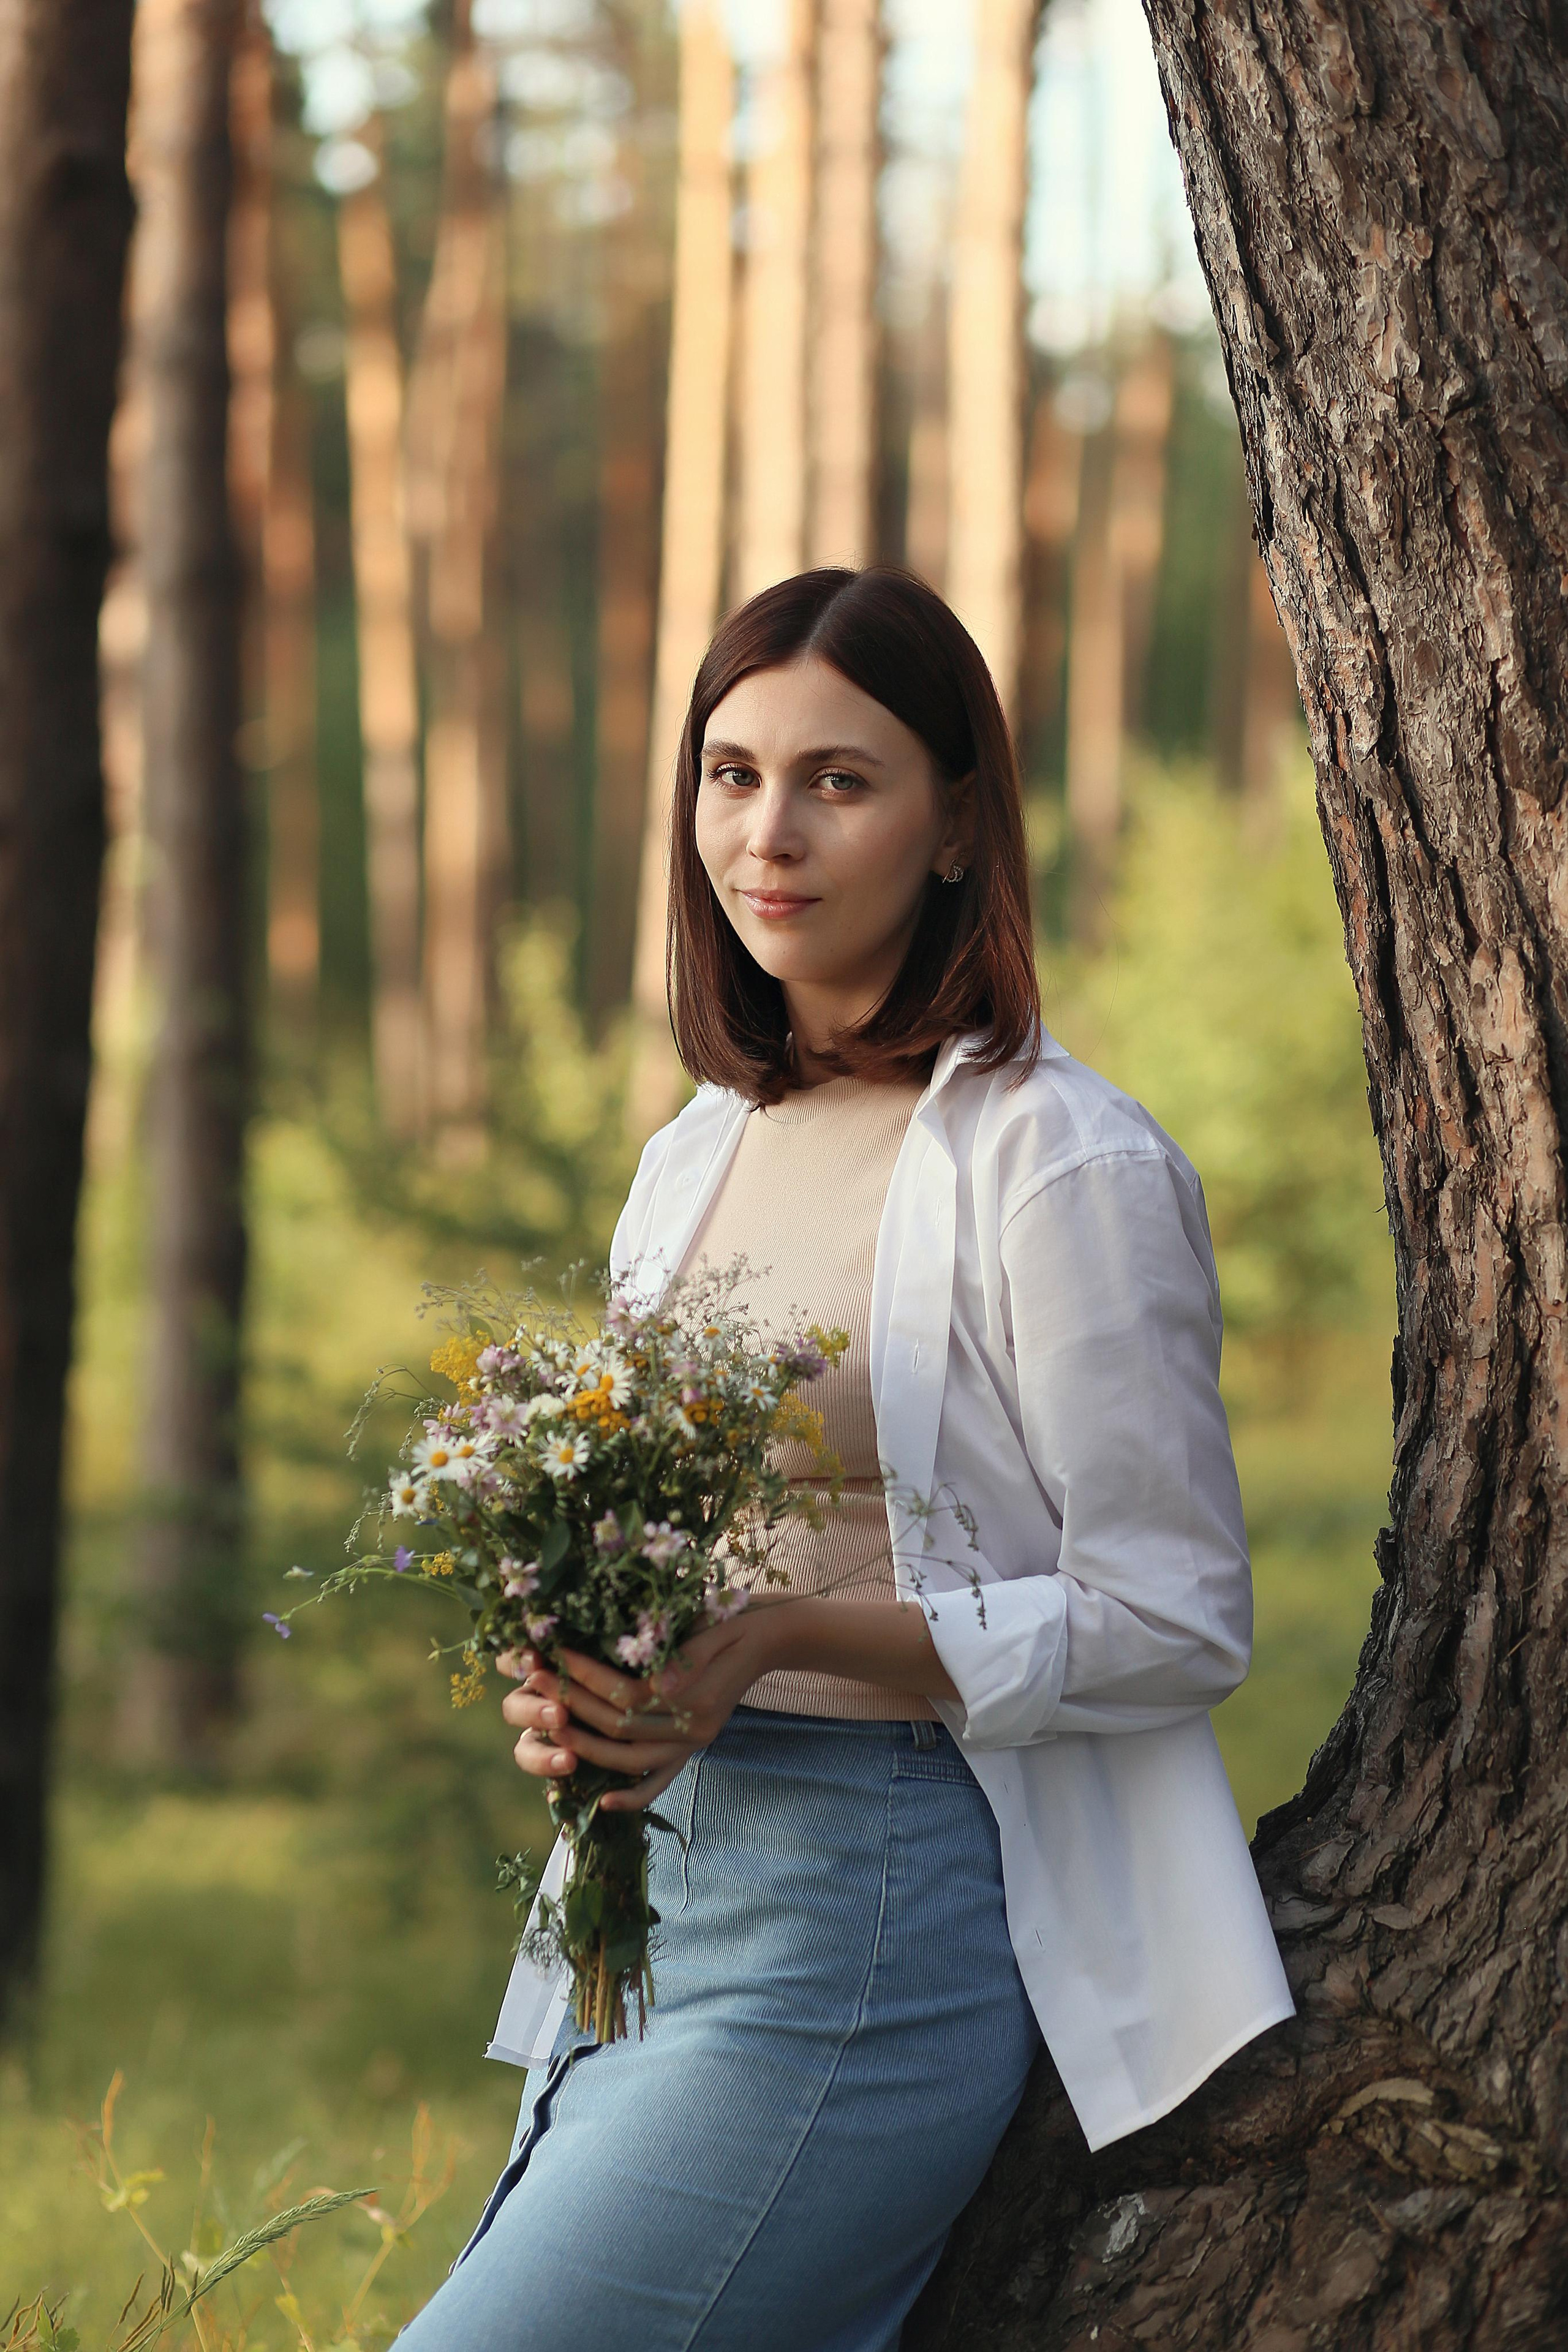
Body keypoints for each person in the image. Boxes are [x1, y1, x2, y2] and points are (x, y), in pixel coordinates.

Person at [396, 567, 1293, 2351]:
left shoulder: (1065, 1164)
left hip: (870, 1913)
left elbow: (1176, 1618)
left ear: (959, 824)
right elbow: (684, 1542)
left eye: (839, 779)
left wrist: (775, 1650)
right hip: (650, 1888)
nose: (768, 833)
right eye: (730, 775)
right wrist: (595, 1674)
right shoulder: (698, 1149)